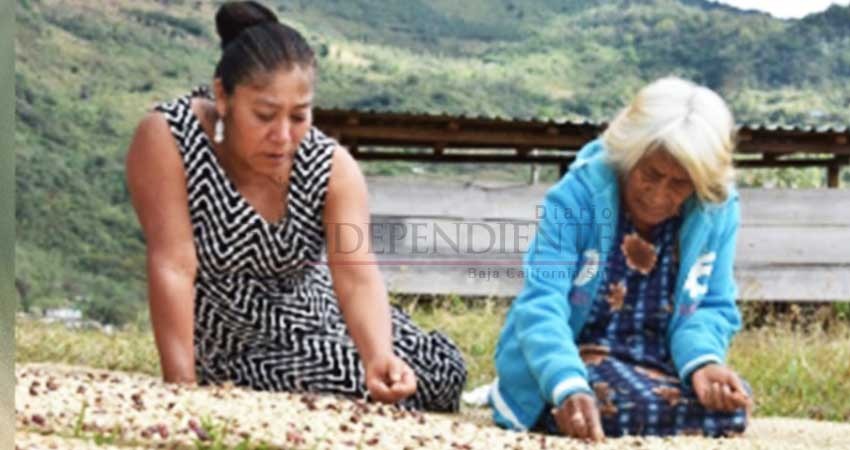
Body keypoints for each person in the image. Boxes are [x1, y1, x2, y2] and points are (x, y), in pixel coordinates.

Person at [125, 0, 466, 412]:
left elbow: (355, 273)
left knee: (440, 371)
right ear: (223, 95)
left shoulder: (331, 165)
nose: (283, 136)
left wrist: (379, 356)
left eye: (299, 117)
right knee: (346, 386)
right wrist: (182, 390)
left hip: (322, 313)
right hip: (238, 344)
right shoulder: (169, 137)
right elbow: (173, 264)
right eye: (265, 115)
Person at [490, 77, 752, 439]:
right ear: (631, 156)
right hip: (574, 356)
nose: (659, 195)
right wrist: (566, 386)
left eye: (679, 183)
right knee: (613, 407)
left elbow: (710, 304)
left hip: (657, 363)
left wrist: (704, 364)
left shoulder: (715, 210)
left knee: (729, 409)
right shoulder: (577, 197)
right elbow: (542, 304)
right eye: (651, 174)